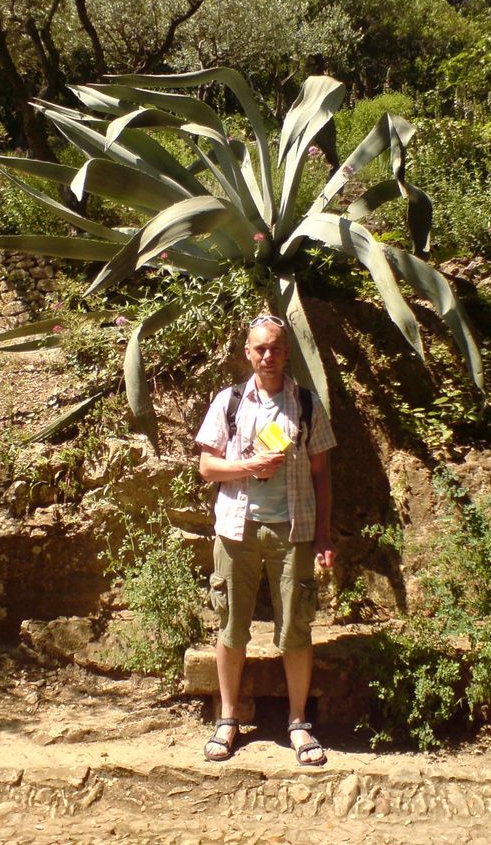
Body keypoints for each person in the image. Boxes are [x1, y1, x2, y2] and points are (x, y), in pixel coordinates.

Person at [195, 313, 337, 766]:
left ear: (286, 351)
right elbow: (207, 468)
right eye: (261, 348)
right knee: (231, 626)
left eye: (275, 347)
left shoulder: (307, 405)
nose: (268, 355)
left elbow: (322, 475)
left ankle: (298, 724)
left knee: (295, 628)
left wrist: (325, 536)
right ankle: (228, 719)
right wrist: (249, 467)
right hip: (236, 529)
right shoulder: (229, 402)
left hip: (293, 530)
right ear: (248, 353)